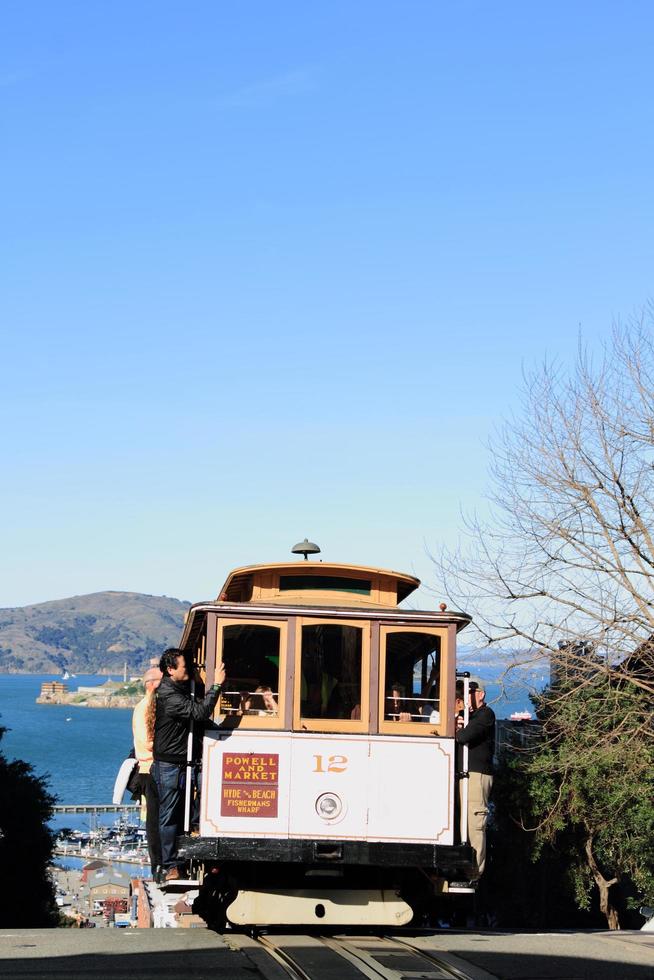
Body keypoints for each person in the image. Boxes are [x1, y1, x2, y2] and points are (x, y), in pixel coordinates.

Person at [152, 648, 226, 882]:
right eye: (186, 667)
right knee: (169, 815)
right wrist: (217, 685)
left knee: (190, 809)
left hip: (185, 762)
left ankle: (182, 858)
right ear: (171, 669)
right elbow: (201, 712)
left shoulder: (180, 687)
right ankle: (170, 865)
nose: (190, 669)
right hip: (169, 764)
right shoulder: (168, 695)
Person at [455, 678, 495, 877]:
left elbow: (463, 737)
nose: (466, 697)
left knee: (474, 822)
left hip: (477, 776)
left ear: (481, 694)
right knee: (464, 820)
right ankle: (465, 866)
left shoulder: (486, 715)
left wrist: (458, 727)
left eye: (470, 692)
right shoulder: (469, 716)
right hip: (468, 775)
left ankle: (475, 872)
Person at [131, 665, 163, 878]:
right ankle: (158, 865)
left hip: (153, 767)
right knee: (154, 819)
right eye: (163, 682)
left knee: (158, 817)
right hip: (148, 768)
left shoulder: (152, 707)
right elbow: (147, 741)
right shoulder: (144, 708)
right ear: (151, 684)